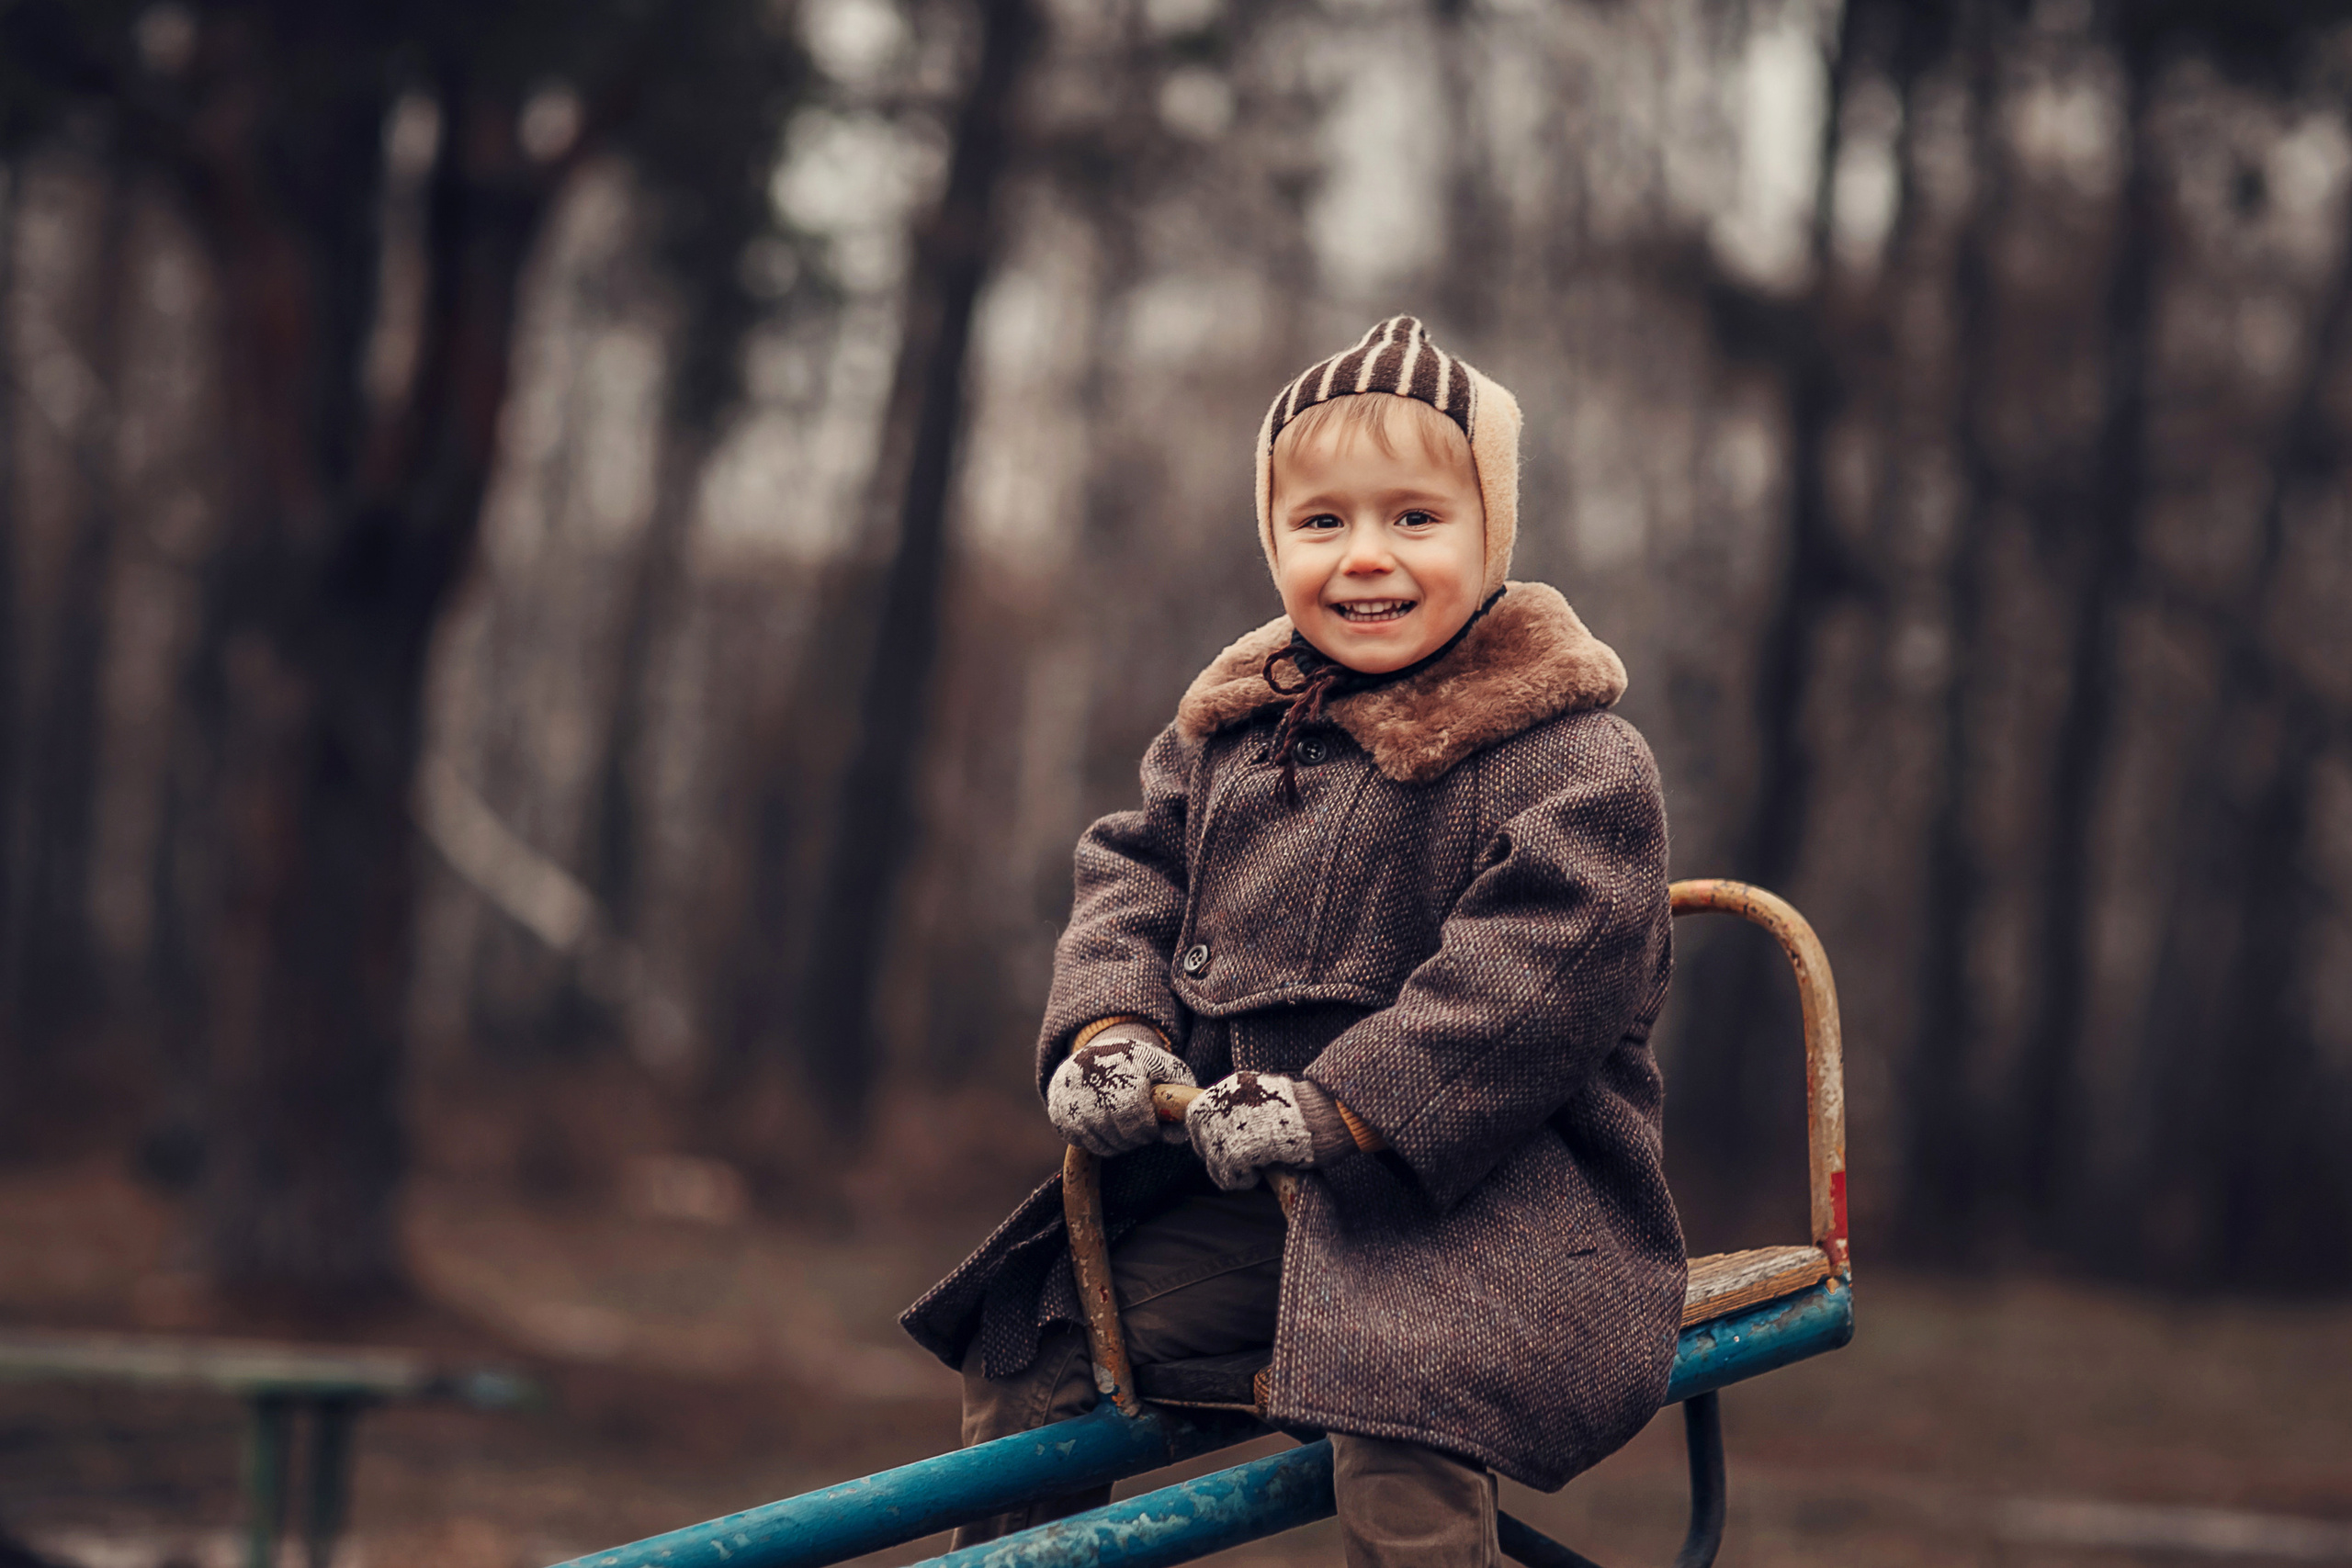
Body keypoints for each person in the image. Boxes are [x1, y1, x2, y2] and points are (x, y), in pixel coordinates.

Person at [901, 316, 1684, 1567]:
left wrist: (1341, 1109)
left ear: (1491, 533)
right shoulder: (1231, 736)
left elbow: (1534, 984)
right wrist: (1114, 1028)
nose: (1365, 556)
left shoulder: (1574, 760)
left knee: (1400, 1412)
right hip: (1263, 1205)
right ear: (1274, 541)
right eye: (1321, 521)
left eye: (1415, 517)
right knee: (1040, 1336)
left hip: (1492, 1212)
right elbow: (1132, 877)